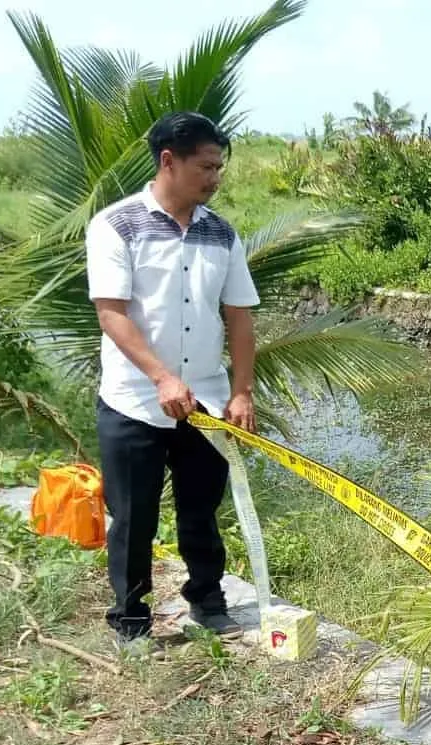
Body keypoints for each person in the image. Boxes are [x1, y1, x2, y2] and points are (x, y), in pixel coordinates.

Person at [85, 110, 260, 654]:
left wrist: (242, 391)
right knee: (133, 518)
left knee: (201, 512)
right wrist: (161, 377)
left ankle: (207, 603)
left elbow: (239, 315)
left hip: (204, 399)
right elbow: (112, 313)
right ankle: (130, 621)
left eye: (219, 168)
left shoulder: (221, 234)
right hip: (133, 400)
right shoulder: (117, 225)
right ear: (169, 161)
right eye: (206, 167)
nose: (215, 178)